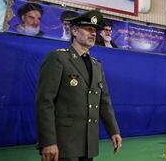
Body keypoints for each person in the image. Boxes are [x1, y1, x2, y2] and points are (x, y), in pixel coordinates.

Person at [35, 10, 122, 161]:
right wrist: (48, 141)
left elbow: (104, 102)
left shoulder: (96, 65)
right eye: (88, 29)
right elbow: (44, 102)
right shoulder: (58, 58)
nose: (93, 34)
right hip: (63, 145)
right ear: (74, 31)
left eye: (94, 30)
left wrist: (113, 131)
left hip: (88, 144)